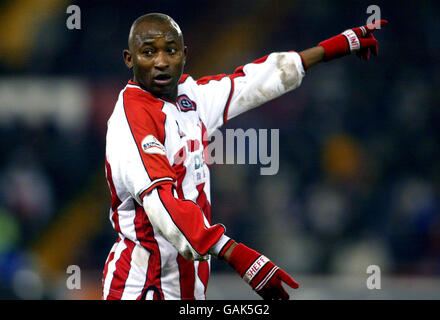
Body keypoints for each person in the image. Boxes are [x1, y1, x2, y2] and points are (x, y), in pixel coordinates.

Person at [101, 13, 387, 300]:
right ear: (129, 59)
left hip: (186, 286)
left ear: (184, 54)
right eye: (148, 52)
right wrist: (235, 253)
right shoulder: (131, 118)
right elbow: (162, 203)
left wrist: (331, 49)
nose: (161, 62)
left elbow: (250, 83)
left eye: (171, 51)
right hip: (141, 286)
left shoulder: (190, 98)